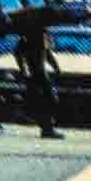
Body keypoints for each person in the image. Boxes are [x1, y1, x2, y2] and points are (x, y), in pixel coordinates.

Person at [12, 8, 63, 139]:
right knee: (45, 100)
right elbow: (18, 54)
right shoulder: (30, 35)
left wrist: (56, 67)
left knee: (50, 100)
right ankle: (47, 129)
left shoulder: (43, 35)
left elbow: (47, 54)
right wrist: (24, 70)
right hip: (34, 73)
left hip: (41, 72)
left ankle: (47, 127)